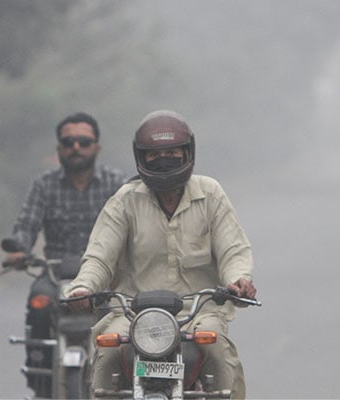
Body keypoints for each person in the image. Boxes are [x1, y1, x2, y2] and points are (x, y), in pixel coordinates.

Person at [65, 109, 257, 399]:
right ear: (140, 158)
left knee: (218, 350)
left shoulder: (211, 194)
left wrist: (239, 280)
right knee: (106, 354)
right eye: (154, 154)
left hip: (199, 312)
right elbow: (99, 256)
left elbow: (233, 249)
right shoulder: (125, 200)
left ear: (187, 153)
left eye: (171, 152)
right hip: (132, 314)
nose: (163, 159)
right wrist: (83, 287)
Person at [4, 112, 127, 398]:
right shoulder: (44, 185)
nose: (76, 147)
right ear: (59, 148)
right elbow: (26, 225)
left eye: (84, 141)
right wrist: (19, 250)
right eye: (68, 142)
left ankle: (124, 384)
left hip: (106, 278)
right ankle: (41, 379)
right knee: (39, 303)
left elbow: (134, 225)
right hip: (54, 273)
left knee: (128, 314)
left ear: (96, 147)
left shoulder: (118, 184)